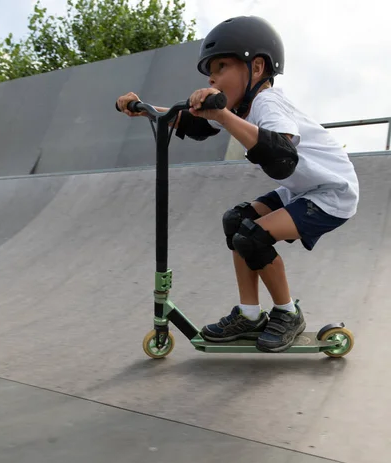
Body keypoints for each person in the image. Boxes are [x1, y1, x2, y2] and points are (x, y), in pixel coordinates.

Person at [116, 15, 359, 352]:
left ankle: (288, 313)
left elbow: (281, 153)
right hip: (301, 190)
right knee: (235, 221)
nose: (213, 77)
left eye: (222, 67)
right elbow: (195, 124)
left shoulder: (267, 102)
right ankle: (249, 314)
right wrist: (146, 110)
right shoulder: (243, 108)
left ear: (256, 68)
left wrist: (221, 114)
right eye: (210, 71)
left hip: (333, 194)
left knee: (254, 237)